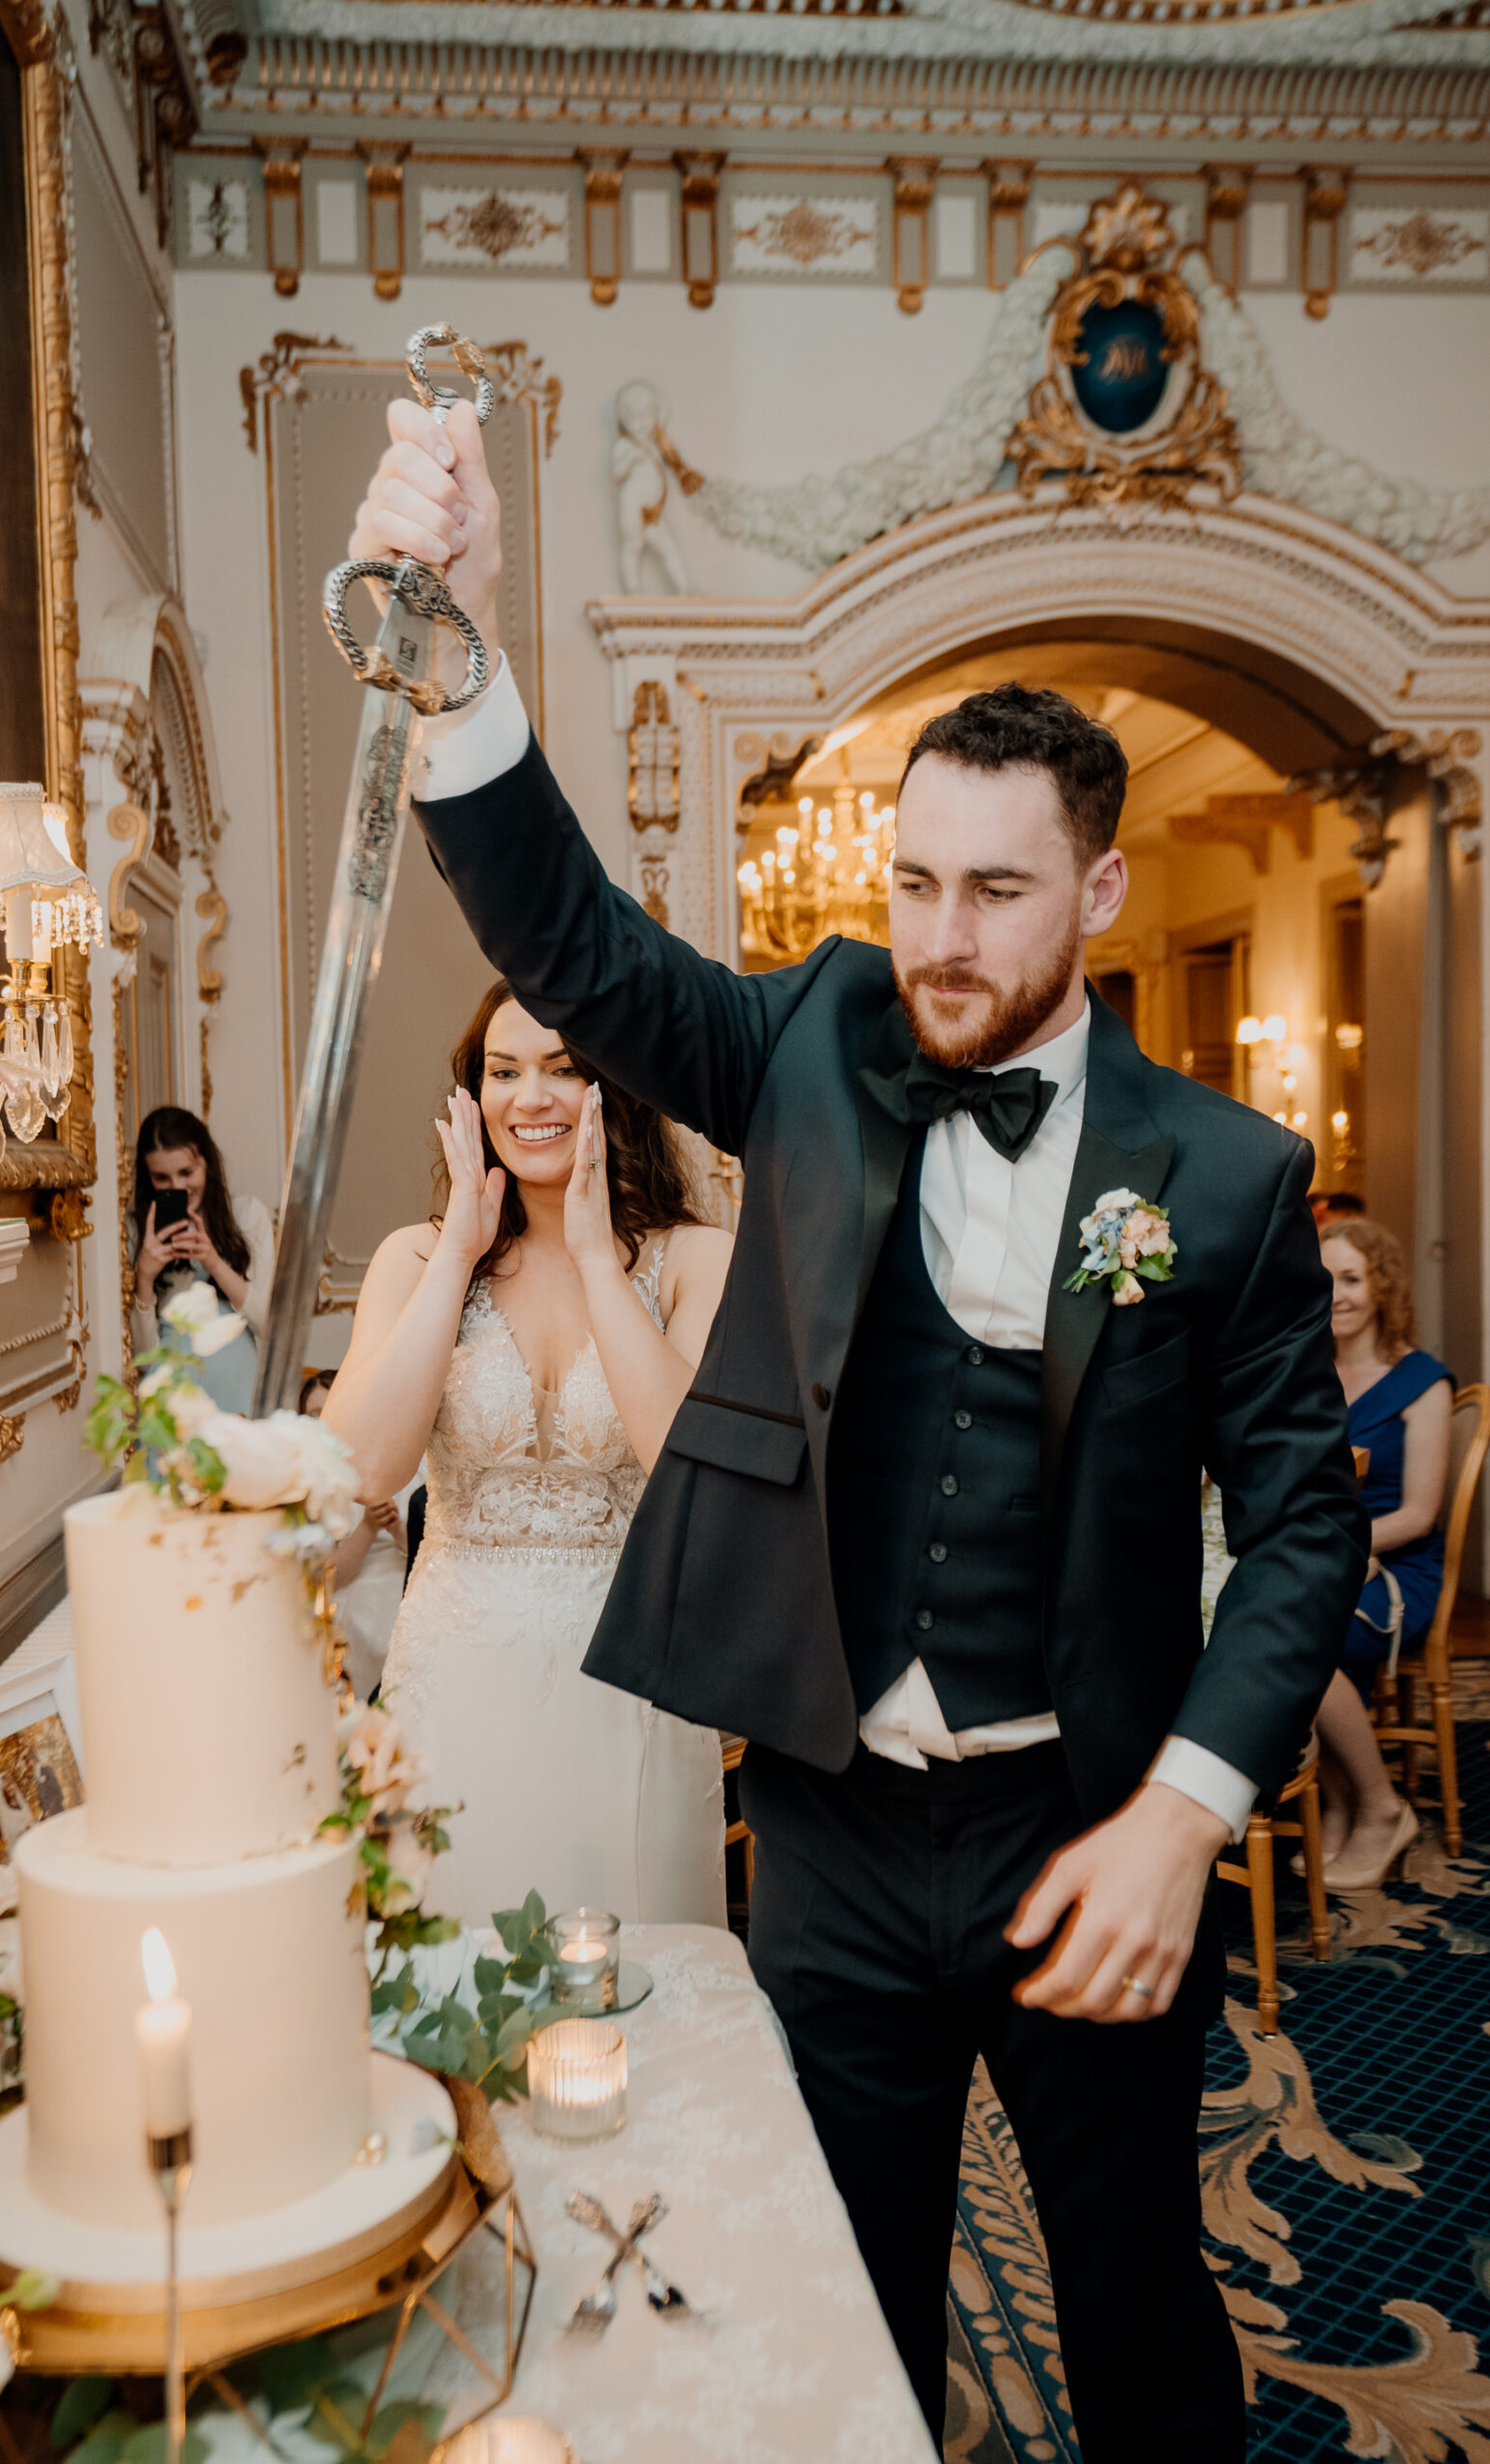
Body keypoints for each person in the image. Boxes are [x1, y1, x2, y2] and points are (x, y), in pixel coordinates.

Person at [347, 398, 1369, 2462]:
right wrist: (453, 655)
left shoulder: (1231, 1179)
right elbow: (572, 939)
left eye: (993, 893)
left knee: (1131, 2296)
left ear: (1094, 886)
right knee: (843, 2291)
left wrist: (1181, 1810)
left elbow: (1299, 1535)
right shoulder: (810, 1037)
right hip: (825, 1828)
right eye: (910, 881)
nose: (936, 938)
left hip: (1083, 1817)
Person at [324, 981, 733, 1926]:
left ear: (614, 1085)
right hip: (454, 1694)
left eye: (562, 1067)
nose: (529, 1097)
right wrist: (460, 1251)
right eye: (502, 1072)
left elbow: (688, 1466)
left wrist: (600, 1261)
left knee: (639, 1997)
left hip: (633, 1694)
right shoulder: (413, 1259)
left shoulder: (698, 1259)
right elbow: (363, 1471)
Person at [1311, 1219, 1451, 1888]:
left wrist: (1335, 1547)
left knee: (1296, 1639)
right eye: (1323, 1279)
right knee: (1248, 1618)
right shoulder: (1303, 1375)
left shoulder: (1421, 1382)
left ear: (1381, 1288)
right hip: (1317, 1560)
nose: (1334, 1294)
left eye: (1350, 1279)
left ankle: (1378, 1807)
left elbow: (1420, 1516)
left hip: (1394, 1565)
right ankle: (1335, 1802)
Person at [132, 1107, 272, 1413]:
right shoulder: (136, 1232)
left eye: (187, 1172)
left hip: (238, 1390)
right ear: (148, 1178)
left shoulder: (248, 1216)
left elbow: (269, 1324)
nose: (178, 1187)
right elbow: (143, 1358)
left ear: (207, 1163)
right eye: (162, 1178)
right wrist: (144, 1279)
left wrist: (214, 1264)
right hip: (173, 1401)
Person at [301, 1370, 408, 1701]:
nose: (325, 1425)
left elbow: (420, 1545)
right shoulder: (310, 1482)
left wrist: (393, 1526)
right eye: (313, 1417)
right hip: (349, 1574)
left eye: (330, 1412)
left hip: (399, 1568)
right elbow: (329, 1576)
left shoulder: (395, 1457)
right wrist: (367, 1527)